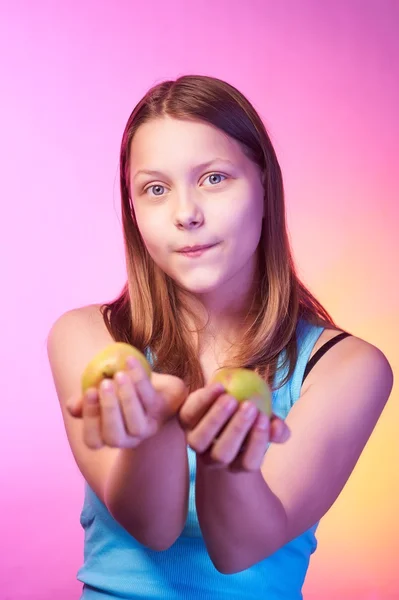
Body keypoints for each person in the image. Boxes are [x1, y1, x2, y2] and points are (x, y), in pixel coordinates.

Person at [47, 75, 393, 600]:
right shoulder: (88, 336)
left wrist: (218, 453)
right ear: (133, 210)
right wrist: (156, 425)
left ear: (264, 184)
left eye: (213, 178)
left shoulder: (349, 368)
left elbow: (239, 549)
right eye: (156, 189)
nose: (186, 213)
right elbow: (151, 527)